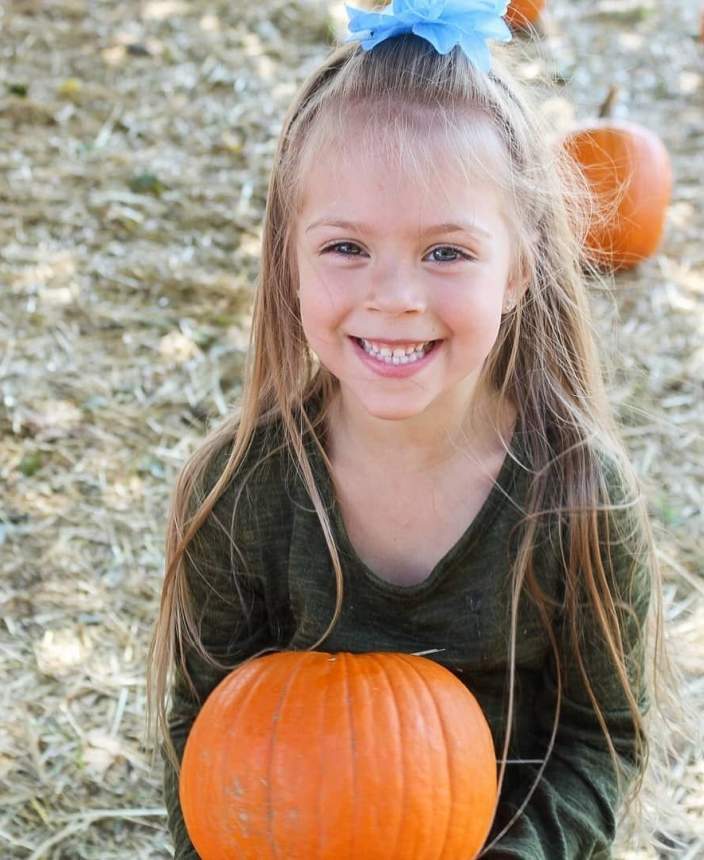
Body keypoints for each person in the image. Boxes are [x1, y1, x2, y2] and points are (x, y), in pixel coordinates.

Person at [147, 1, 664, 857]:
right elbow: (198, 734)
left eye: (446, 252)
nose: (394, 296)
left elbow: (599, 743)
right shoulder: (242, 491)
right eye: (347, 247)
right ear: (289, 260)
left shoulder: (574, 497)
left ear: (519, 271)